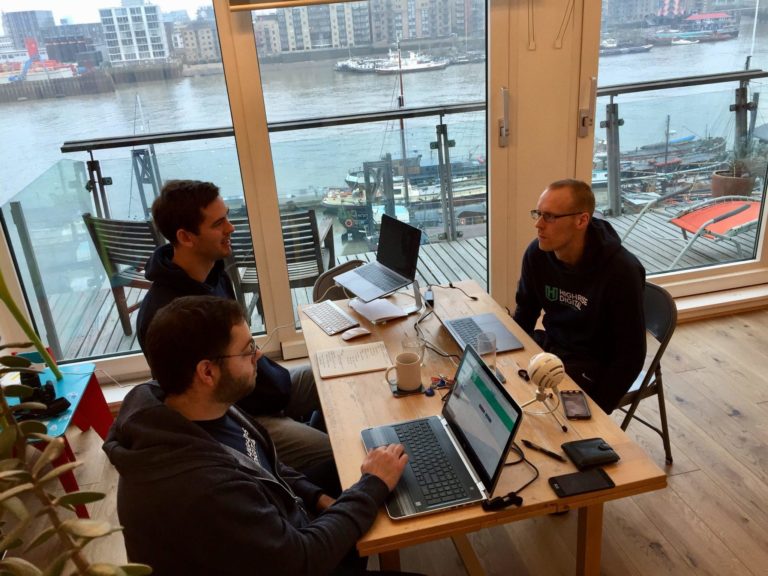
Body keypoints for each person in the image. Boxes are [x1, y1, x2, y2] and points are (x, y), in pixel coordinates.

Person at [105, 296, 408, 575]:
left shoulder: (195, 408)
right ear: (207, 373)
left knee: (358, 462)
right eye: (248, 349)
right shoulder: (203, 489)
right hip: (298, 559)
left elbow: (266, 467)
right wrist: (371, 486)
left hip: (280, 530)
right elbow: (303, 560)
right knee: (374, 480)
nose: (258, 354)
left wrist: (317, 497)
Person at [136, 179, 331, 475]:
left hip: (264, 390)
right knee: (337, 450)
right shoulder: (170, 316)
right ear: (186, 237)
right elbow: (204, 402)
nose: (231, 227)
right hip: (241, 417)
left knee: (329, 375)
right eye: (218, 223)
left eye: (227, 216)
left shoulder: (214, 274)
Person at [512, 179, 646, 413]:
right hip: (551, 349)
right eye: (538, 214)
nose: (538, 225)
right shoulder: (537, 254)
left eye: (550, 217)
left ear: (582, 220)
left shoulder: (622, 271)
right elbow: (525, 311)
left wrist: (598, 411)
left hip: (594, 366)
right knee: (503, 386)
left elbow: (630, 355)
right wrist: (511, 358)